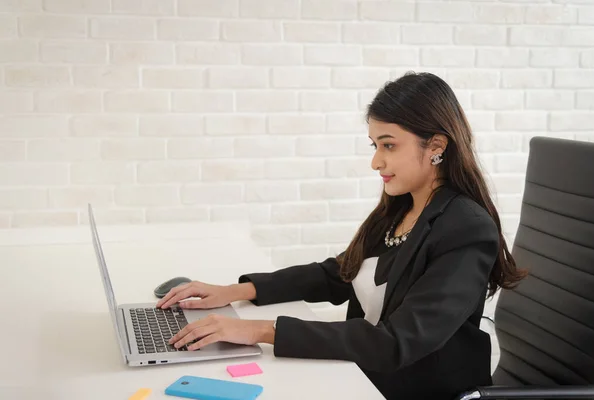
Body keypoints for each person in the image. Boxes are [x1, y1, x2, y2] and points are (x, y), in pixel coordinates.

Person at [156, 71, 527, 400]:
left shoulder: (466, 228)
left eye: (389, 145)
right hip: (366, 376)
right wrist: (234, 292)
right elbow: (339, 273)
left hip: (415, 387)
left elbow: (397, 342)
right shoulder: (402, 207)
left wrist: (256, 331)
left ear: (436, 147)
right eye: (375, 145)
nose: (376, 161)